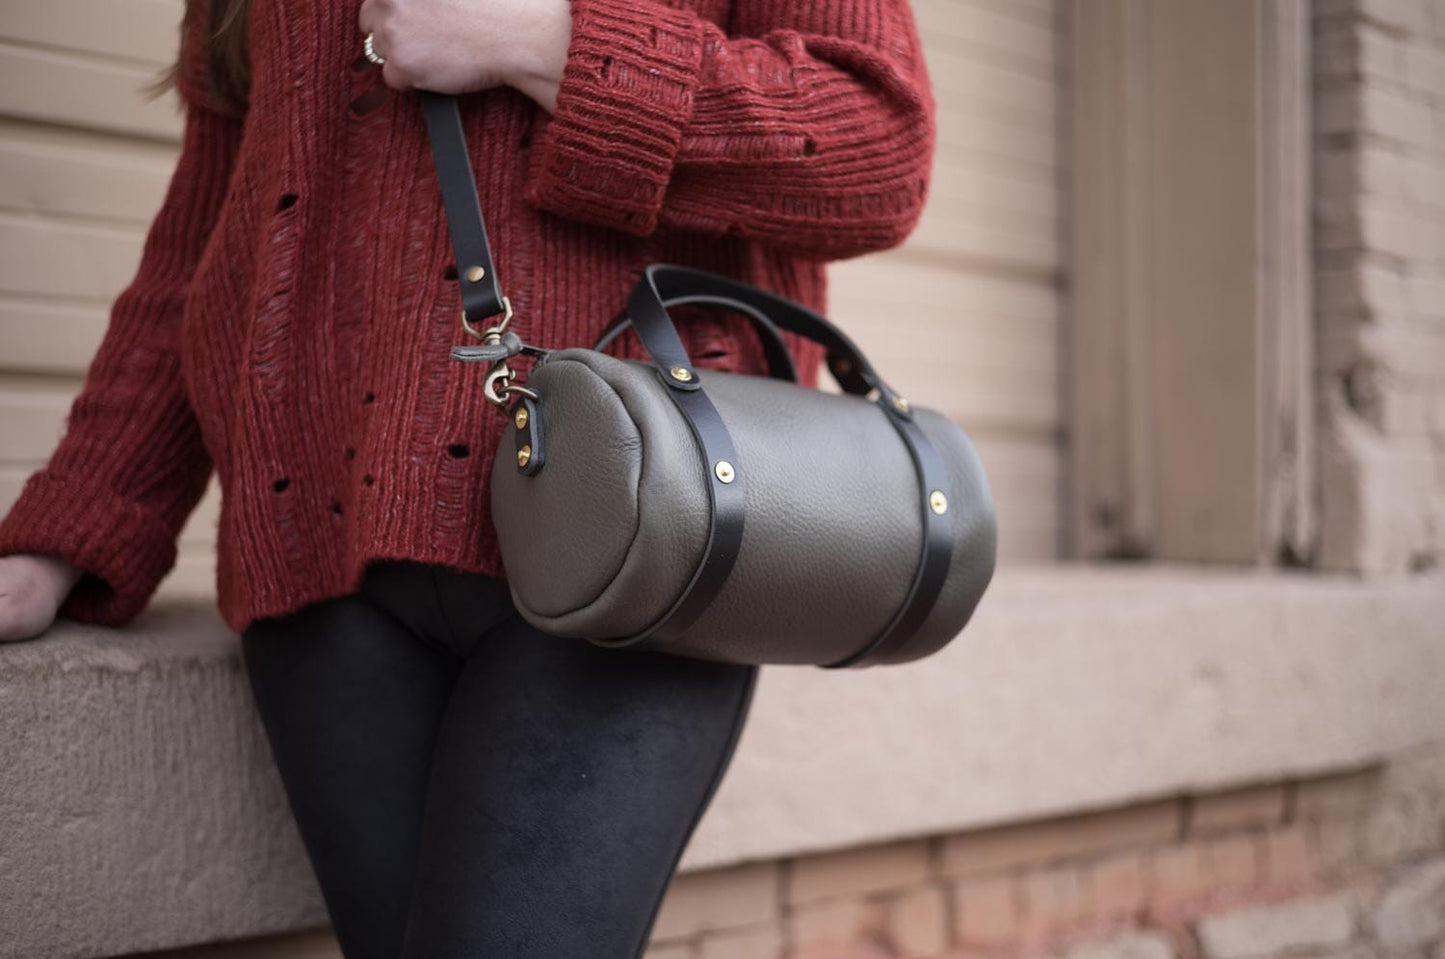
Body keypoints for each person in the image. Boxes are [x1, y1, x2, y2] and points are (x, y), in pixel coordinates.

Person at [0, 0, 936, 955]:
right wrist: (78, 522)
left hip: (633, 534)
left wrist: (548, 47)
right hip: (321, 551)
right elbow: (206, 240)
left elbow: (879, 151)